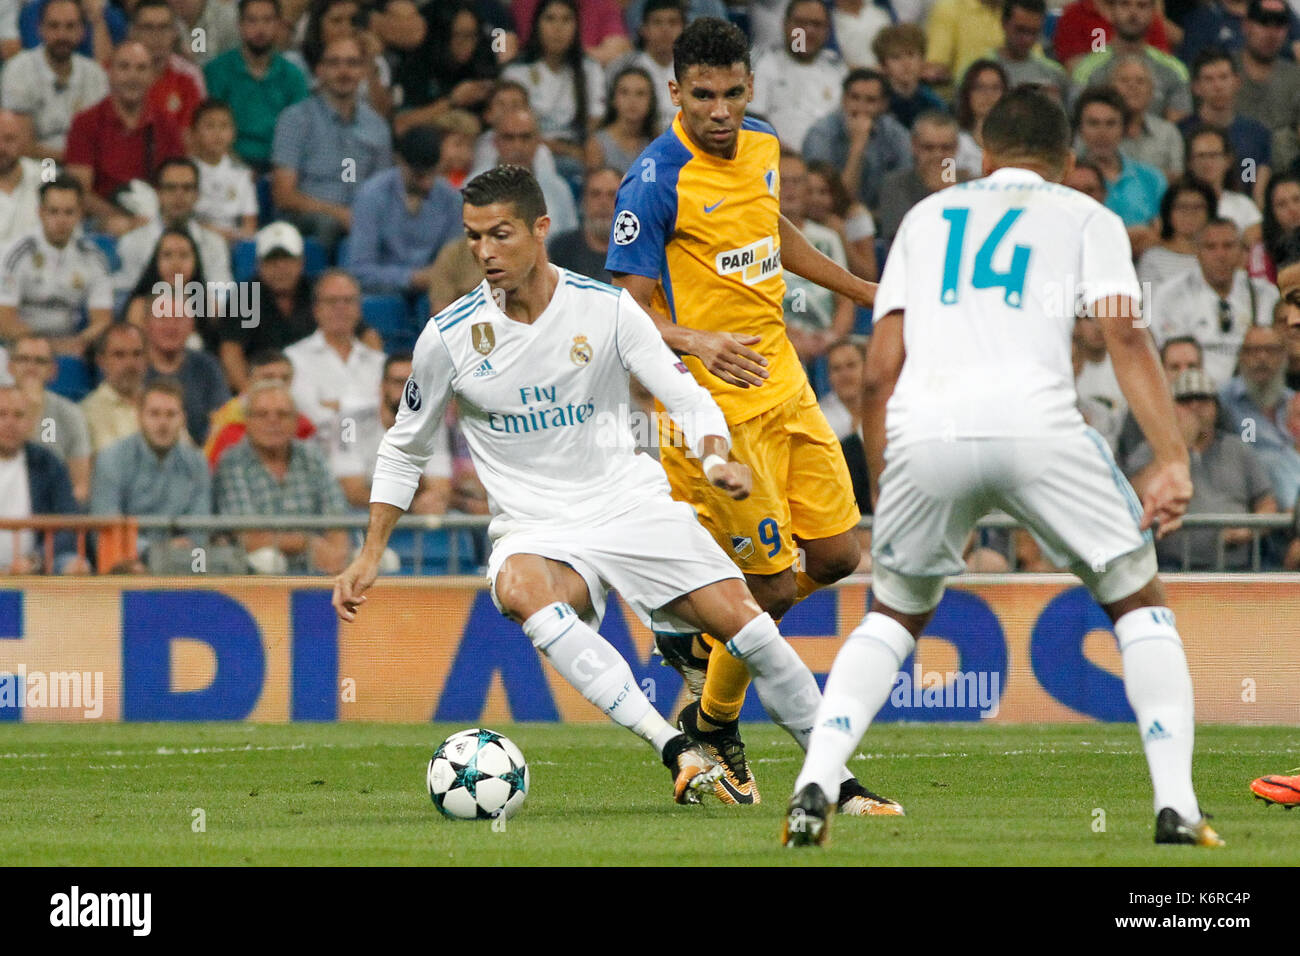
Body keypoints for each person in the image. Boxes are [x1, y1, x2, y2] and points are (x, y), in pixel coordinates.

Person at [333, 163, 879, 809]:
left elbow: (686, 394)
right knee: (520, 589)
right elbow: (404, 446)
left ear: (540, 230)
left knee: (752, 627)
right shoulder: (449, 337)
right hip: (536, 527)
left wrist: (713, 460)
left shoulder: (608, 308)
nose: (484, 252)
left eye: (499, 234)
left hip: (628, 502)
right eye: (473, 237)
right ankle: (676, 750)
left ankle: (837, 784)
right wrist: (370, 551)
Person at [785, 86, 1222, 849]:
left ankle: (814, 783)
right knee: (1138, 603)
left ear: (983, 154)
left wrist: (889, 477)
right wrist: (1173, 457)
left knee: (892, 613)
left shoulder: (924, 218)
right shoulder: (1087, 215)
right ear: (1065, 163)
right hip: (1039, 425)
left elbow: (882, 367)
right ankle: (1177, 807)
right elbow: (1123, 336)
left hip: (928, 430)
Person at [608, 17, 891, 812]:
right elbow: (623, 314)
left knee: (837, 556)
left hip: (787, 388)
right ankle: (715, 719)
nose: (721, 110)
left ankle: (702, 645)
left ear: (751, 88)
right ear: (675, 94)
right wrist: (696, 337)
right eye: (703, 95)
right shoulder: (654, 178)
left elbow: (771, 232)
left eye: (733, 92)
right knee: (764, 591)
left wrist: (862, 290)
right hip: (709, 413)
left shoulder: (764, 147)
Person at [1129, 367, 1277, 570]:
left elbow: (1267, 504)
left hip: (1234, 567)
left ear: (1216, 407)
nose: (1194, 407)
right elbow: (1132, 496)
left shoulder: (1239, 449)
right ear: (1169, 408)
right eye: (1185, 400)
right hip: (1170, 566)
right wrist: (1177, 445)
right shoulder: (1151, 448)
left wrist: (1248, 530)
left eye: (1203, 399)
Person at [270, 34, 392, 249]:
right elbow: (284, 195)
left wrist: (362, 217)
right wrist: (340, 213)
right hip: (307, 219)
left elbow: (383, 191)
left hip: (362, 218)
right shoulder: (295, 119)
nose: (343, 71)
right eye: (334, 63)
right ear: (319, 71)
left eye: (352, 63)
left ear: (363, 71)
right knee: (327, 224)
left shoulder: (377, 126)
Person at [215, 379, 349, 574]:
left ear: (296, 421)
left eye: (282, 414)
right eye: (262, 415)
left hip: (317, 558)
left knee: (383, 559)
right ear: (247, 422)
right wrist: (306, 542)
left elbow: (336, 516)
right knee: (269, 560)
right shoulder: (232, 461)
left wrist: (337, 552)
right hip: (252, 566)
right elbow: (248, 537)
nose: (273, 421)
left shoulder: (312, 456)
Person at [90, 377, 214, 573]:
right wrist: (155, 551)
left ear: (183, 418)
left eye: (171, 414)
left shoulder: (197, 462)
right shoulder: (111, 459)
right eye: (154, 414)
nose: (163, 423)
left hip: (182, 565)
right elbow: (106, 531)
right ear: (139, 417)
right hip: (125, 566)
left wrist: (177, 552)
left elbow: (199, 530)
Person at [64, 41, 187, 237]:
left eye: (141, 68)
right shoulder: (85, 123)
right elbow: (79, 193)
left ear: (152, 76)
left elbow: (179, 183)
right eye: (124, 67)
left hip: (157, 221)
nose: (133, 76)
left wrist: (152, 220)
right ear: (109, 72)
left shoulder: (167, 123)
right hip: (102, 222)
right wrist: (123, 220)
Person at [1150, 216, 1279, 384]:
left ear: (1243, 252)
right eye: (1211, 247)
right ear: (1197, 252)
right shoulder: (1169, 295)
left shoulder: (1265, 295)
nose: (1220, 255)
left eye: (1228, 246)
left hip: (1252, 391)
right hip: (1190, 392)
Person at [0, 176, 113, 355]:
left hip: (72, 347)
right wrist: (46, 346)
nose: (61, 220)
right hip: (20, 348)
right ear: (40, 212)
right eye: (53, 212)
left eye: (69, 212)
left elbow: (103, 321)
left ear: (80, 214)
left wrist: (79, 342)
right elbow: (4, 320)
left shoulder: (94, 257)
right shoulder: (16, 254)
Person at [346, 125, 463, 296]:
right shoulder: (371, 195)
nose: (427, 183)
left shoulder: (451, 199)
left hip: (435, 290)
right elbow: (360, 270)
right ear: (400, 161)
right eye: (419, 175)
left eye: (432, 174)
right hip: (383, 292)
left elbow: (455, 262)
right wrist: (411, 278)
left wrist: (438, 276)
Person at [283, 269, 385, 463]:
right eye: (331, 301)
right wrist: (371, 408)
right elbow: (315, 420)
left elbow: (391, 414)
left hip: (378, 463)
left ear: (359, 308)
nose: (340, 308)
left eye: (348, 301)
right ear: (316, 309)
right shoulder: (294, 359)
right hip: (322, 461)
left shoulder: (379, 362)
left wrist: (339, 405)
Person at [502, 0, 605, 179]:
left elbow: (594, 120)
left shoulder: (590, 69)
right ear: (537, 25)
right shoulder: (516, 71)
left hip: (577, 151)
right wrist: (562, 149)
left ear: (576, 26)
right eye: (550, 19)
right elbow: (513, 128)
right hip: (530, 152)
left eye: (566, 20)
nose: (558, 28)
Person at [203, 0, 310, 172]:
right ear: (240, 25)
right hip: (227, 162)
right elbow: (209, 127)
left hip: (279, 166)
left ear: (278, 24)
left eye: (267, 20)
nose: (260, 29)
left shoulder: (293, 76)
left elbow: (299, 133)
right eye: (252, 20)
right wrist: (238, 168)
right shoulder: (216, 71)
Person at [333, 352, 449, 510]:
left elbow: (440, 485)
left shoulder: (433, 425)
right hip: (363, 513)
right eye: (399, 383)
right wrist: (407, 506)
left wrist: (430, 501)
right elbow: (352, 491)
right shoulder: (349, 423)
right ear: (382, 387)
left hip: (413, 510)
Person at [0, 383, 90, 574]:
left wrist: (34, 560)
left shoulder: (48, 463)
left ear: (31, 423)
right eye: (2, 414)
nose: (10, 423)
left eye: (18, 415)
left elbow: (69, 524)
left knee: (76, 567)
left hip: (36, 565)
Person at [0, 0, 107, 161]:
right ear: (40, 29)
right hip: (41, 164)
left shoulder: (95, 75)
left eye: (70, 26)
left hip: (85, 167)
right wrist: (73, 158)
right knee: (50, 182)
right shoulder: (19, 69)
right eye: (54, 26)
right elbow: (22, 146)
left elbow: (103, 138)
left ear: (82, 31)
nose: (62, 35)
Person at [113, 157, 233, 297]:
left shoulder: (214, 243)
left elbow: (222, 290)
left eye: (187, 188)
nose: (179, 195)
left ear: (197, 194)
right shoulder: (132, 241)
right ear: (158, 193)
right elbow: (130, 292)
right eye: (171, 188)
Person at [801, 68, 912, 214]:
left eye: (870, 100)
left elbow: (904, 193)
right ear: (843, 99)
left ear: (883, 105)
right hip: (831, 219)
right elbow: (831, 203)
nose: (860, 107)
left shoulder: (897, 135)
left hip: (882, 220)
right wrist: (857, 146)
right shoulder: (821, 134)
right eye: (855, 98)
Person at [749, 0, 848, 152]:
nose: (808, 31)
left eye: (817, 24)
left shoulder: (838, 68)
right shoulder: (764, 63)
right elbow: (753, 118)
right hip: (778, 159)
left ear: (828, 30)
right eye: (801, 23)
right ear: (785, 25)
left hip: (830, 164)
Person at [1178, 49, 1272, 208]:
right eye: (1209, 79)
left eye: (1223, 77)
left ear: (1237, 81)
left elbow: (1255, 187)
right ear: (1196, 87)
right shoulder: (1180, 132)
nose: (1218, 86)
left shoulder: (1256, 134)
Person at [1219, 322, 1300, 503]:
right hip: (1248, 493)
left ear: (1284, 356)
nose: (1262, 358)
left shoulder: (1294, 401)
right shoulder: (1224, 400)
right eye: (1253, 351)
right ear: (1241, 357)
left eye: (1270, 350)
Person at [1072, 0, 1191, 123]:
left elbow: (1179, 127)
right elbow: (1078, 122)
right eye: (1124, 4)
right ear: (1110, 12)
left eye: (1142, 5)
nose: (1133, 13)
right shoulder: (1086, 69)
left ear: (1153, 13)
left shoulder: (1175, 70)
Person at [8, 333, 91, 504]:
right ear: (10, 367)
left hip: (51, 512)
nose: (31, 367)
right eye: (23, 359)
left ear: (53, 371)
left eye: (40, 361)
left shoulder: (68, 414)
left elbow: (81, 485)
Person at [469, 107, 577, 238]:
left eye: (525, 137)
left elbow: (569, 242)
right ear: (496, 142)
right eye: (509, 138)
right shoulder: (473, 186)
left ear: (538, 141)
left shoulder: (558, 189)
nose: (518, 146)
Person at [1074, 87, 1166, 237]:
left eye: (1110, 124)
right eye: (1093, 123)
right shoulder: (1068, 179)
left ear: (1124, 129)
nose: (1102, 133)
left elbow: (1161, 233)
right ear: (1080, 129)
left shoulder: (1152, 178)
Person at [142, 289, 230, 444]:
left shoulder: (207, 366)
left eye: (179, 318)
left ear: (191, 324)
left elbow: (221, 422)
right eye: (163, 318)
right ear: (147, 324)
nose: (171, 326)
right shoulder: (134, 367)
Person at [205, 347, 316, 468]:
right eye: (268, 378)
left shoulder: (302, 423)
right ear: (250, 381)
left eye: (285, 378)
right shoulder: (227, 422)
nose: (277, 384)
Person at [877, 111, 961, 247]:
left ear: (956, 148)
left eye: (946, 148)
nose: (937, 155)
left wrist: (952, 192)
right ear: (914, 146)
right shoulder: (894, 185)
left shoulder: (973, 184)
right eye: (929, 148)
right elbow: (903, 238)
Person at [188, 99, 260, 243]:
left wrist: (236, 236)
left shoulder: (242, 173)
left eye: (224, 126)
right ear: (194, 133)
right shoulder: (185, 170)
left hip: (233, 241)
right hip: (195, 239)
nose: (217, 133)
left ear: (233, 133)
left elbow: (249, 224)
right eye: (210, 126)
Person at [131, 0, 206, 133]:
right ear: (133, 32)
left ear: (175, 32)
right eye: (148, 28)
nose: (156, 36)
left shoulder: (190, 74)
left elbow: (195, 132)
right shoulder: (115, 73)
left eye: (164, 27)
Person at [1185, 125, 1263, 245]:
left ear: (1228, 160)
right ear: (1189, 162)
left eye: (1214, 155)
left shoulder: (1243, 204)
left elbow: (1255, 248)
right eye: (1201, 156)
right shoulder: (1179, 205)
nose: (1207, 162)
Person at [1112, 53, 1185, 180]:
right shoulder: (1094, 128)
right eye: (1124, 80)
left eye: (1140, 81)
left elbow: (1177, 177)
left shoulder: (1168, 132)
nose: (1132, 86)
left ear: (1151, 90)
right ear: (1111, 88)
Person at [805, 160, 878, 281]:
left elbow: (869, 277)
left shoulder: (855, 216)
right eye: (809, 192)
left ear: (835, 194)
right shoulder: (791, 221)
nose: (815, 199)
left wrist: (841, 238)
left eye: (823, 192)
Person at [1137, 176, 1214, 288]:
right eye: (1182, 207)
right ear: (1168, 213)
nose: (1189, 214)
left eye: (1197, 207)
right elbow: (1149, 302)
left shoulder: (1219, 254)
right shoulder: (1152, 258)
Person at [985, 0, 1070, 103]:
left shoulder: (1055, 75)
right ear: (1004, 23)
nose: (1027, 39)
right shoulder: (980, 71)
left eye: (1034, 32)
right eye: (1020, 30)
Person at [82, 322, 147, 453]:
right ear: (101, 361)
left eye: (137, 354)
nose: (130, 363)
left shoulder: (163, 404)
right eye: (119, 355)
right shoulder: (87, 413)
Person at [547, 165, 618, 281]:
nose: (603, 203)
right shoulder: (560, 249)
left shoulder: (639, 252)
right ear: (584, 202)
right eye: (595, 194)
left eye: (612, 195)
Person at [584, 65, 656, 175]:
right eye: (624, 92)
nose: (632, 101)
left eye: (640, 94)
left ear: (651, 101)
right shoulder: (597, 145)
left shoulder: (658, 143)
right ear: (613, 99)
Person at [871, 23, 945, 130]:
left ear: (922, 60)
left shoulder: (934, 103)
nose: (906, 64)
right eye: (896, 57)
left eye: (911, 55)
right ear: (883, 66)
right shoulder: (877, 103)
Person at [953, 58, 1006, 179]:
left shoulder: (1015, 143)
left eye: (995, 88)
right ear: (967, 93)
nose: (988, 95)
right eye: (979, 87)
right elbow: (946, 179)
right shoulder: (951, 140)